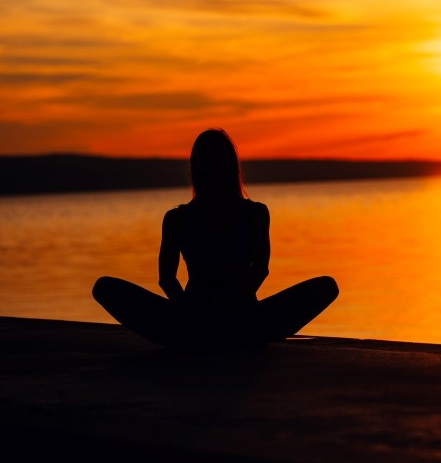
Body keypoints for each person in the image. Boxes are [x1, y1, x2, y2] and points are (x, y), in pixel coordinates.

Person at [93, 128, 339, 348]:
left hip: (242, 317)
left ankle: (216, 333)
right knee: (105, 287)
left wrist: (234, 305)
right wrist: (189, 311)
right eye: (205, 154)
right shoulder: (177, 218)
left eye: (217, 153)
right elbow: (167, 279)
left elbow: (260, 270)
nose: (211, 159)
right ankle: (209, 334)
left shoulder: (255, 213)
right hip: (193, 320)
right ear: (195, 164)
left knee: (326, 286)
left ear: (230, 162)